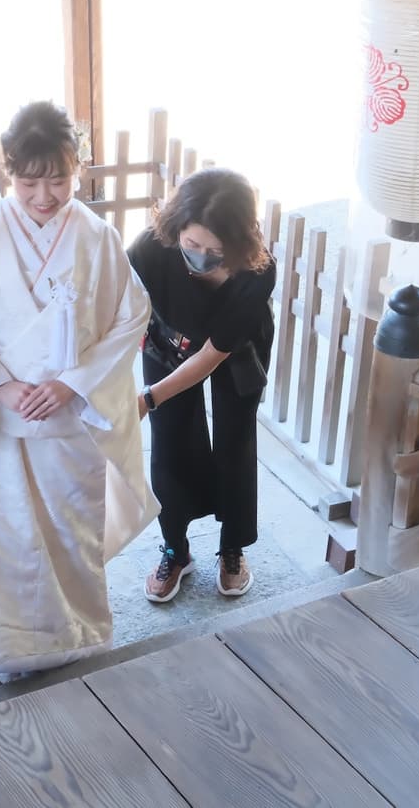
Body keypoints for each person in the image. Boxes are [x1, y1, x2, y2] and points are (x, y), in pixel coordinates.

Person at [0, 101, 158, 680]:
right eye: (29, 181)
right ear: (9, 172)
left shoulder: (96, 237)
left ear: (78, 169)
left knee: (72, 533)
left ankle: (78, 637)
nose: (45, 196)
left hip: (69, 419)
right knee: (14, 539)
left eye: (58, 179)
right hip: (8, 421)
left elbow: (131, 316)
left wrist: (72, 383)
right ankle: (12, 651)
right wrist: (0, 386)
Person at [127, 168, 276, 603]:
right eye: (191, 245)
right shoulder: (152, 248)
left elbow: (213, 356)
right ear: (176, 230)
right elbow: (113, 305)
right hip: (166, 338)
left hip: (234, 350)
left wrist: (149, 397)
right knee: (170, 437)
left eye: (216, 251)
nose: (201, 257)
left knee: (235, 437)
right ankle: (176, 548)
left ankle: (232, 548)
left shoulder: (257, 271)